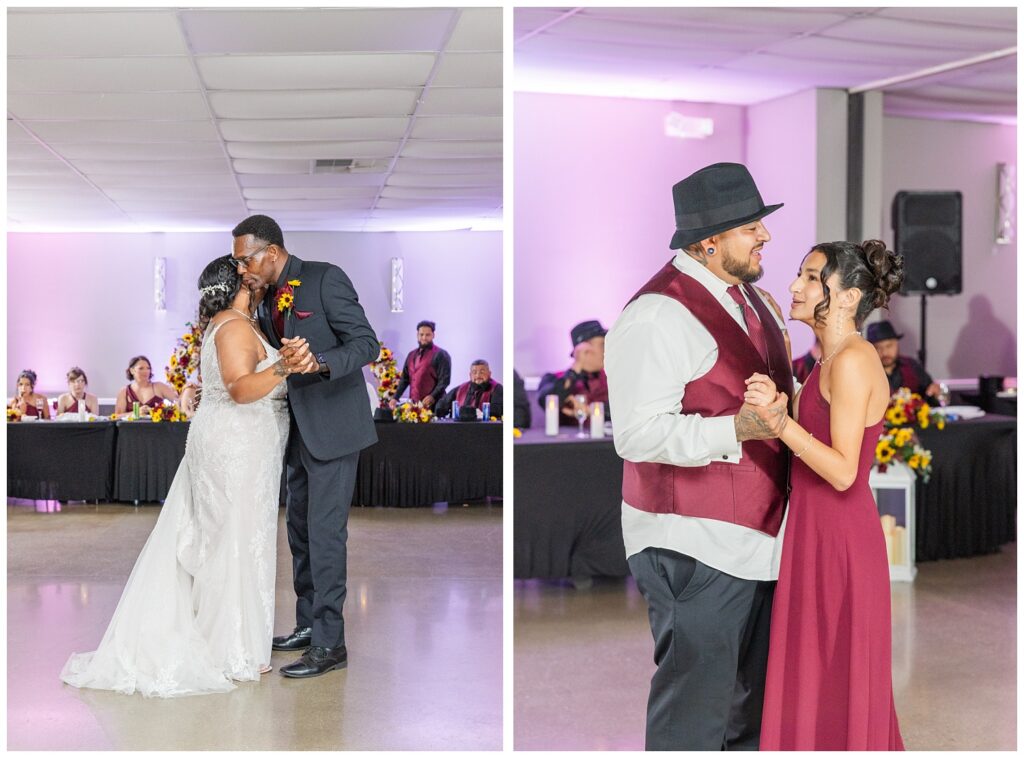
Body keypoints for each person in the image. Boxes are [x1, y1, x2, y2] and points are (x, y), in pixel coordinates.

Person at [605, 162, 791, 750]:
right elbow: (635, 436)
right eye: (751, 227)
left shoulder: (753, 302)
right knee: (695, 712)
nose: (764, 236)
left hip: (760, 542)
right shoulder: (656, 314)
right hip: (691, 543)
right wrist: (734, 427)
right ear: (710, 242)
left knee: (749, 713)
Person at [61, 255, 307, 696]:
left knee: (238, 537)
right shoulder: (233, 326)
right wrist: (285, 365)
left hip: (245, 444)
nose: (261, 275)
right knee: (233, 539)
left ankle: (236, 640)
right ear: (242, 283)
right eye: (251, 271)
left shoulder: (233, 323)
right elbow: (239, 387)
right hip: (236, 443)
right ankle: (228, 646)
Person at [745, 240, 905, 749]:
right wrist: (782, 407)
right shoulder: (829, 358)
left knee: (835, 678)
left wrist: (779, 422)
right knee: (815, 676)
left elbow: (843, 472)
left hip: (839, 541)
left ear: (848, 297)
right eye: (801, 275)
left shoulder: (853, 360)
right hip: (815, 533)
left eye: (812, 277)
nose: (796, 285)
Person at [232, 214, 380, 679]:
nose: (242, 269)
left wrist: (320, 361)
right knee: (299, 532)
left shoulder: (323, 278)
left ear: (271, 252)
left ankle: (331, 644)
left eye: (245, 260)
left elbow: (366, 344)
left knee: (325, 535)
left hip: (334, 428)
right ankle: (307, 625)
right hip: (294, 430)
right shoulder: (264, 296)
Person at [536, 320, 610, 425]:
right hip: (569, 440)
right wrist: (576, 367)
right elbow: (548, 401)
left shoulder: (612, 380)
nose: (606, 350)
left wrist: (592, 411)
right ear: (585, 350)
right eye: (602, 345)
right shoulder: (554, 379)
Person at [867, 320, 940, 399]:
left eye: (889, 346)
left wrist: (935, 393)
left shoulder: (912, 365)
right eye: (878, 348)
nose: (884, 353)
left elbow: (931, 392)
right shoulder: (866, 372)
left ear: (897, 344)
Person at [392, 320, 451, 409]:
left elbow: (444, 381)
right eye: (421, 334)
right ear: (417, 335)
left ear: (433, 335)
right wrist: (395, 398)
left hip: (435, 406)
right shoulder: (411, 355)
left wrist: (432, 396)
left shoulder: (441, 354)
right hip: (414, 406)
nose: (424, 338)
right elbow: (404, 379)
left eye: (427, 335)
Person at [435, 359, 503, 419]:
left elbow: (497, 410)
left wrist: (473, 413)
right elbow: (442, 404)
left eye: (482, 372)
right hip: (458, 429)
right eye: (474, 372)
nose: (478, 376)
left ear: (489, 374)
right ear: (470, 375)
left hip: (486, 429)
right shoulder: (460, 389)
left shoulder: (497, 388)